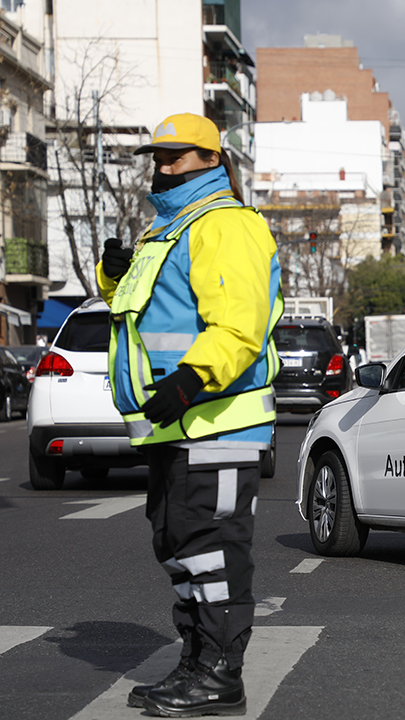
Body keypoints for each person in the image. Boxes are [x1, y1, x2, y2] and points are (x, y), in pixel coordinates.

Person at [97, 113, 282, 717]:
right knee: (181, 545)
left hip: (218, 423)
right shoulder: (169, 229)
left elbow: (239, 323)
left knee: (214, 548)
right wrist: (112, 273)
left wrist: (191, 378)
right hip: (180, 429)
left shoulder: (224, 225)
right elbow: (144, 316)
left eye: (177, 156)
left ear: (211, 158)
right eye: (159, 156)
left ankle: (221, 677)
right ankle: (199, 662)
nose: (164, 166)